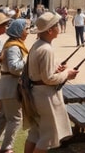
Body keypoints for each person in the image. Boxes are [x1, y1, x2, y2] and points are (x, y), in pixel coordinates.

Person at [24, 12, 78, 153]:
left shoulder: (38, 45)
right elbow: (48, 79)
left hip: (36, 93)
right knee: (48, 136)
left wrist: (56, 68)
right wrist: (67, 74)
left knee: (35, 133)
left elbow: (40, 72)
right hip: (45, 96)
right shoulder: (46, 49)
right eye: (57, 25)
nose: (59, 27)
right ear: (50, 30)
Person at [0, 18, 29, 153]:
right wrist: (28, 61)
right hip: (11, 86)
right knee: (14, 119)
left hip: (7, 85)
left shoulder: (12, 44)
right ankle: (7, 147)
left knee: (3, 116)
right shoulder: (14, 47)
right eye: (25, 29)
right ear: (19, 31)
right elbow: (14, 67)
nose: (27, 32)